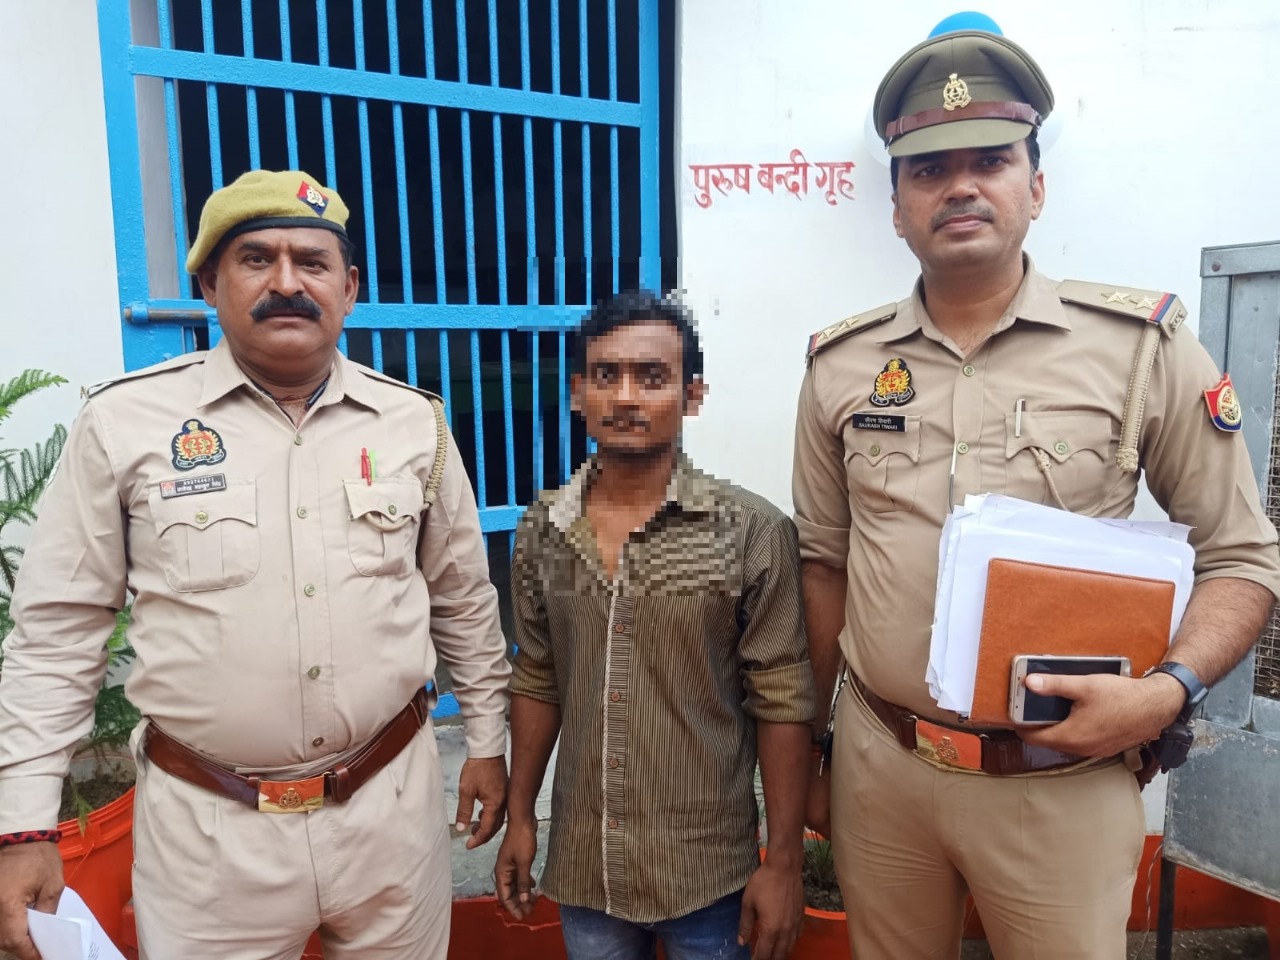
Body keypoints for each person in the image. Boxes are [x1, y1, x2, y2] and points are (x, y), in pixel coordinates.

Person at [792, 25, 1280, 960]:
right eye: (929, 170)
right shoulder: (841, 365)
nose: (960, 187)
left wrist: (1168, 693)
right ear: (896, 207)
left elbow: (1243, 557)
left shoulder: (1140, 349)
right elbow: (825, 563)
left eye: (990, 161)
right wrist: (818, 746)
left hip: (1060, 778)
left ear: (1036, 187)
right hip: (882, 769)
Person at [0, 169, 511, 960]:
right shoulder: (124, 423)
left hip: (392, 815)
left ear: (349, 288)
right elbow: (57, 633)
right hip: (210, 838)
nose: (287, 283)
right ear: (210, 284)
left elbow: (462, 597)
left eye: (312, 262)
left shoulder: (413, 423)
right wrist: (24, 824)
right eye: (256, 259)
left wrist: (486, 740)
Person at [493, 290, 815, 960]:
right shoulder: (544, 529)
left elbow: (783, 699)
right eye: (605, 375)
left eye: (652, 377)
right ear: (578, 393)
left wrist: (783, 861)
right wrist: (520, 816)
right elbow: (538, 676)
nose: (625, 397)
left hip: (708, 874)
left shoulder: (752, 532)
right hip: (587, 867)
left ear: (692, 395)